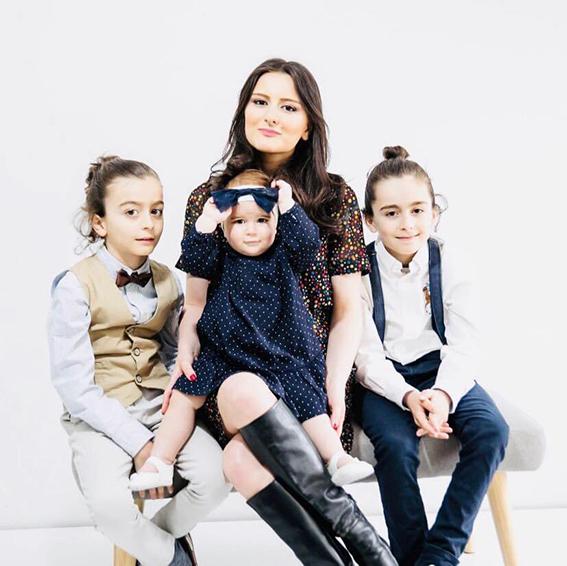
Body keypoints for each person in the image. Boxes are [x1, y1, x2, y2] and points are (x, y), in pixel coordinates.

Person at [173, 58, 397, 566]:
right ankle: (374, 554)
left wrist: (334, 387)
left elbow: (348, 311)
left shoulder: (334, 197)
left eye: (288, 106)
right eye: (260, 101)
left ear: (308, 126)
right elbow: (196, 301)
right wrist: (185, 346)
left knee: (241, 460)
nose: (271, 114)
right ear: (243, 111)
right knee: (241, 389)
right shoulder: (210, 198)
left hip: (306, 377)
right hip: (231, 372)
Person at [129, 169, 374, 492]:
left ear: (275, 222)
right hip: (226, 355)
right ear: (225, 227)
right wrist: (207, 221)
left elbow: (307, 242)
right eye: (240, 222)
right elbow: (195, 259)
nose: (251, 230)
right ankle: (160, 461)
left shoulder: (285, 254)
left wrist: (287, 206)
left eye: (261, 220)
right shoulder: (220, 256)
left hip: (281, 354)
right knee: (183, 397)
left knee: (309, 404)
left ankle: (336, 458)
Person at [48, 156, 230, 566]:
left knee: (216, 476)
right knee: (110, 508)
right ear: (99, 223)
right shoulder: (74, 285)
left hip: (160, 408)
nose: (148, 223)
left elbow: (174, 353)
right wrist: (141, 444)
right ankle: (171, 558)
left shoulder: (169, 279)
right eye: (131, 212)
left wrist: (177, 407)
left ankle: (160, 539)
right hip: (99, 415)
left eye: (156, 211)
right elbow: (74, 386)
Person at [355, 146, 509, 566]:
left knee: (492, 431)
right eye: (391, 213)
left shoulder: (451, 259)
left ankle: (439, 554)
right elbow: (365, 356)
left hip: (442, 369)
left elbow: (466, 342)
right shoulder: (359, 271)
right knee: (395, 446)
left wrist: (442, 394)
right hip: (385, 381)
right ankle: (410, 556)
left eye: (418, 210)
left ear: (434, 213)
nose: (407, 223)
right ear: (370, 220)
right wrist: (408, 397)